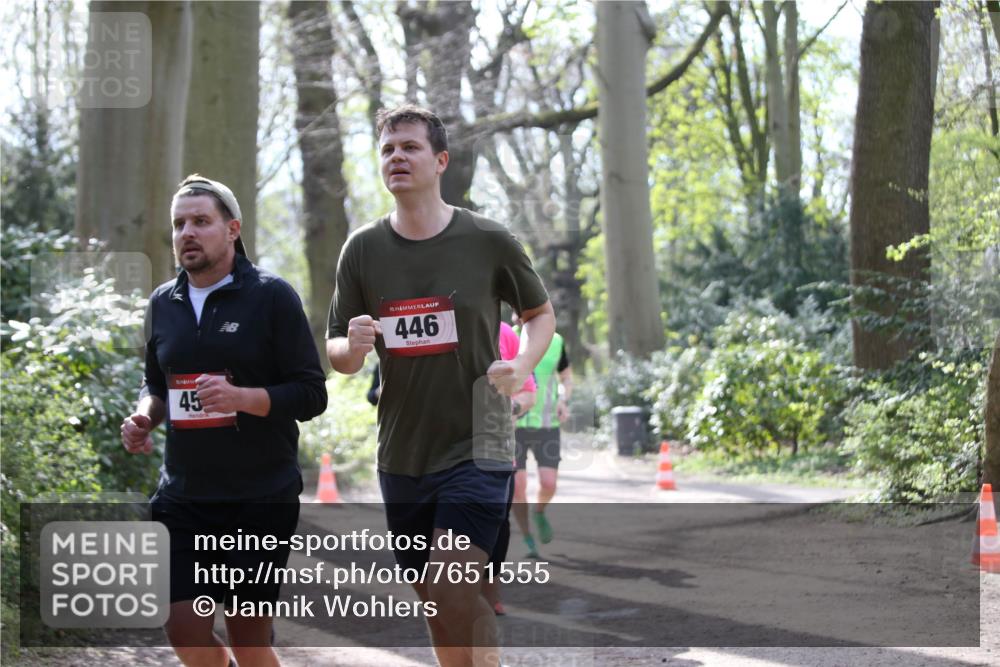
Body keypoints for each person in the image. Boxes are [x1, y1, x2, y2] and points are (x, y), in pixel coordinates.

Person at [326, 104, 555, 667]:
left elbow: (540, 314)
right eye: (387, 149)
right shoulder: (362, 249)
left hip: (479, 444)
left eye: (410, 147)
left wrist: (523, 365)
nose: (397, 157)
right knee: (436, 599)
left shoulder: (487, 239)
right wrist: (351, 347)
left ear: (441, 160)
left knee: (450, 584)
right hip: (403, 451)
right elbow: (338, 355)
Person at [120, 174, 327, 667]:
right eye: (178, 224)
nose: (186, 233)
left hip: (259, 495)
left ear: (232, 229)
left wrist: (243, 398)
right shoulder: (161, 304)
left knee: (248, 642)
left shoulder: (272, 296)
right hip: (184, 495)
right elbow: (157, 383)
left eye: (200, 221)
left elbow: (312, 393)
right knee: (185, 631)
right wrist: (145, 417)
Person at [482, 322, 536, 616]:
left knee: (497, 527)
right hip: (437, 452)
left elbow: (529, 393)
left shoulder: (505, 333)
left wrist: (509, 409)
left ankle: (490, 595)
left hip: (497, 451)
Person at [511, 320, 572, 558]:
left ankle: (539, 511)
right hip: (515, 423)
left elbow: (566, 378)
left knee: (549, 483)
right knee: (518, 485)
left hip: (547, 423)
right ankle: (527, 537)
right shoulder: (507, 337)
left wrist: (562, 399)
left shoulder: (555, 340)